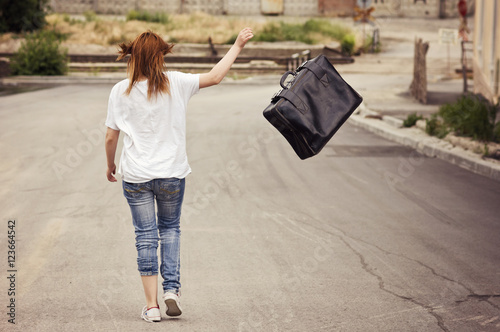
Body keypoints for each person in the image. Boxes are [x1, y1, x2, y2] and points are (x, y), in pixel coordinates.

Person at [104, 28, 253, 322]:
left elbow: (111, 137)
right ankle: (171, 289)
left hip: (135, 175)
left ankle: (152, 307)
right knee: (170, 229)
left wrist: (110, 165)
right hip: (171, 173)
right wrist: (237, 45)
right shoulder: (177, 82)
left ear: (133, 56)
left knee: (145, 237)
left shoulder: (119, 90)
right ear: (160, 57)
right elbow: (214, 76)